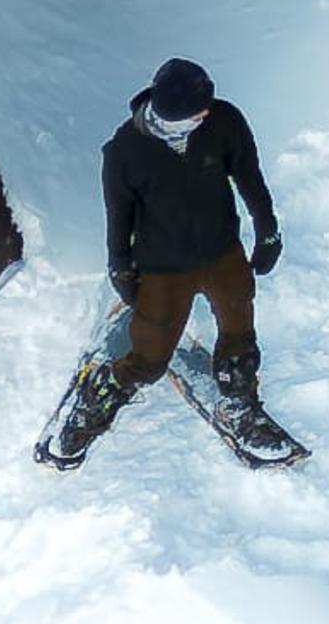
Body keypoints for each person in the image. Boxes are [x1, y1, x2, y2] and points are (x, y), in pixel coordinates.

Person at [95, 57, 280, 417]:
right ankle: (108, 386)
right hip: (165, 264)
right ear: (173, 116)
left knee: (240, 332)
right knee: (150, 359)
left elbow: (250, 176)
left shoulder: (223, 120)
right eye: (199, 111)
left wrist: (267, 227)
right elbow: (119, 215)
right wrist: (119, 265)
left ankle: (237, 391)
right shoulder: (124, 151)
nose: (207, 113)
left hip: (222, 249)